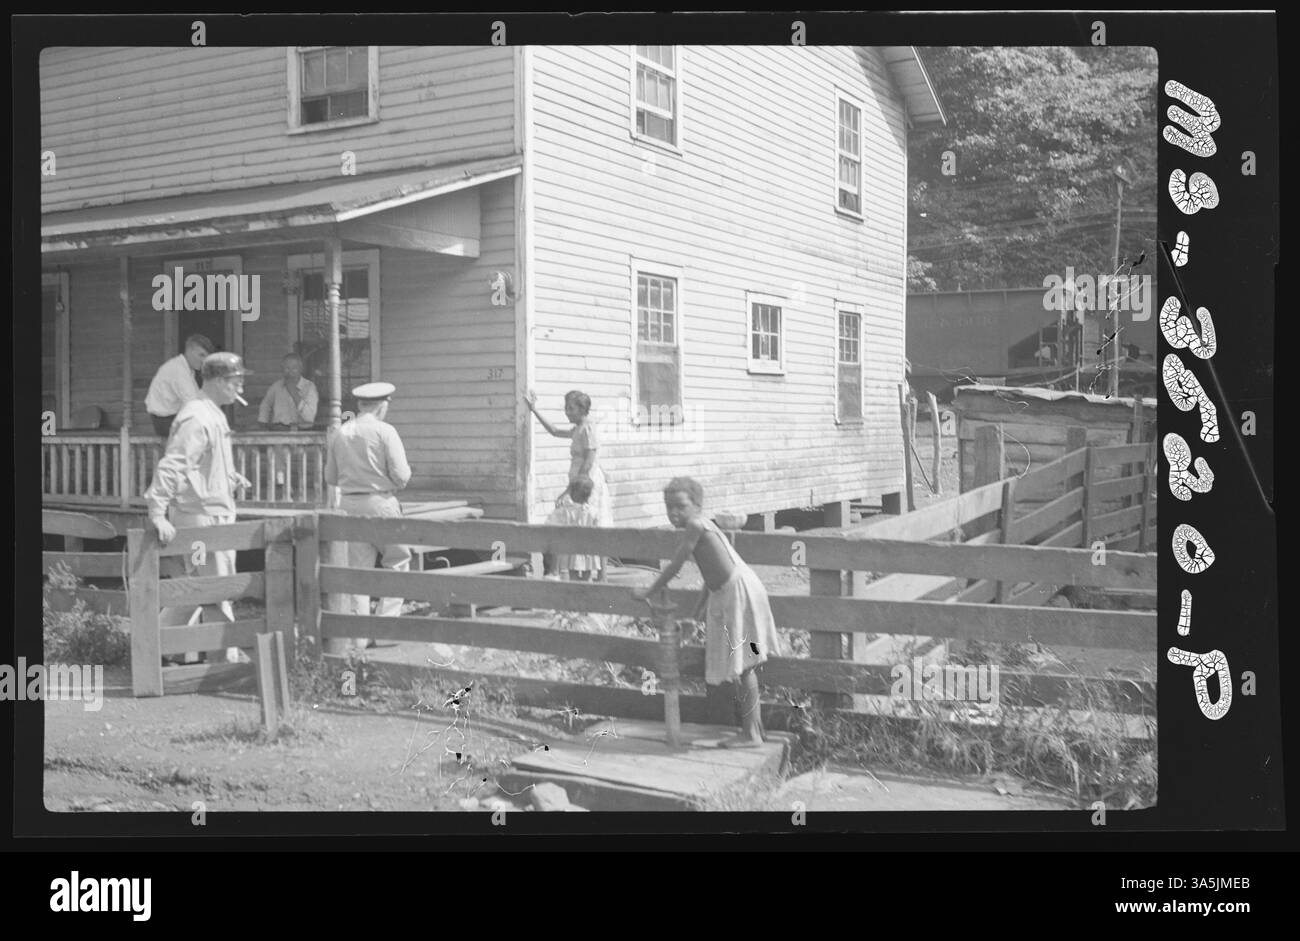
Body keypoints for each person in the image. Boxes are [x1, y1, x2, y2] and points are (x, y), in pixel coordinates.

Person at [631, 477, 782, 748]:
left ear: (697, 505)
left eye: (680, 506)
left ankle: (751, 735)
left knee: (745, 665)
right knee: (746, 665)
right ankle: (754, 728)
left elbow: (675, 565)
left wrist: (649, 591)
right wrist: (697, 612)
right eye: (669, 507)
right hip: (732, 590)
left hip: (739, 592)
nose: (674, 513)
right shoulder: (704, 526)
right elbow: (709, 577)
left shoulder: (695, 525)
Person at [145, 352, 253, 664]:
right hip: (200, 521)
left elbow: (204, 462)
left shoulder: (212, 413)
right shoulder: (197, 417)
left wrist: (230, 476)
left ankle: (153, 644)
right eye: (236, 381)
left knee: (196, 586)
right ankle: (224, 660)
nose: (240, 388)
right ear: (218, 381)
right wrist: (156, 511)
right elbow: (173, 465)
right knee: (217, 585)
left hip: (210, 515)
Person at [324, 381, 412, 653]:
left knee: (357, 571)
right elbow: (402, 475)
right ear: (382, 405)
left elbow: (330, 477)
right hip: (381, 503)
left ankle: (357, 636)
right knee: (397, 561)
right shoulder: (385, 431)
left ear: (359, 405)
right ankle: (385, 629)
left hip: (348, 505)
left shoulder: (340, 432)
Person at [145, 334, 215, 438]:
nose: (204, 361)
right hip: (164, 421)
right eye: (201, 355)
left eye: (206, 357)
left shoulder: (187, 369)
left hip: (172, 418)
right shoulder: (178, 370)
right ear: (190, 351)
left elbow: (197, 398)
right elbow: (192, 403)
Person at [547, 476, 602, 581]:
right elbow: (598, 530)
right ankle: (586, 592)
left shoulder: (566, 511)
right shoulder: (593, 511)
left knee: (572, 574)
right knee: (588, 574)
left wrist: (556, 509)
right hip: (588, 548)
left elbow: (550, 523)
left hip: (572, 548)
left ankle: (575, 591)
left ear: (574, 493)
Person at [257, 353, 319, 430]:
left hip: (302, 432)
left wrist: (293, 392)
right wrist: (263, 422)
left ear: (301, 369)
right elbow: (266, 404)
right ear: (282, 369)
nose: (290, 371)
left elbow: (309, 417)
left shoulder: (309, 387)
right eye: (287, 368)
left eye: (294, 368)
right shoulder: (276, 386)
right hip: (279, 430)